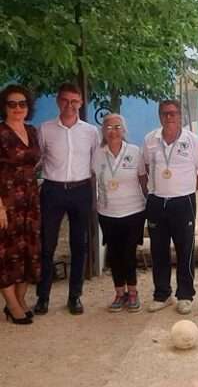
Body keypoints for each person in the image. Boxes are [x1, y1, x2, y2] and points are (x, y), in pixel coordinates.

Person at [142, 99, 198, 315]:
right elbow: (144, 168)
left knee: (185, 250)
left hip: (183, 202)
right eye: (164, 114)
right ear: (159, 116)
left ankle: (185, 295)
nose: (169, 117)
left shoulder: (192, 141)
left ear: (180, 116)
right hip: (157, 201)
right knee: (158, 250)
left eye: (173, 113)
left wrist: (189, 189)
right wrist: (151, 193)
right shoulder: (150, 140)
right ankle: (162, 294)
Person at [35, 83, 100, 315]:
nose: (70, 105)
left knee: (79, 245)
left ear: (81, 103)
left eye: (74, 101)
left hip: (81, 190)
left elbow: (95, 164)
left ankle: (75, 296)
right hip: (53, 191)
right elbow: (39, 159)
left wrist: (95, 195)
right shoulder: (45, 129)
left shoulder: (91, 132)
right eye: (65, 100)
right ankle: (42, 297)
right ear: (58, 101)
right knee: (47, 245)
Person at [93, 114, 147, 313]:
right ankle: (118, 293)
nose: (113, 131)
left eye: (117, 127)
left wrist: (150, 202)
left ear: (124, 130)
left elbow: (142, 179)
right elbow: (92, 181)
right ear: (103, 131)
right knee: (114, 254)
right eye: (108, 127)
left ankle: (132, 292)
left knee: (129, 252)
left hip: (133, 211)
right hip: (107, 212)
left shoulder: (134, 151)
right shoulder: (97, 154)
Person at [0, 85, 41, 325]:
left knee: (28, 250)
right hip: (7, 200)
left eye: (22, 103)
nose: (18, 108)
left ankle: (21, 299)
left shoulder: (32, 130)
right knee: (6, 252)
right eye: (12, 104)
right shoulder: (1, 133)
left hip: (30, 199)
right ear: (4, 106)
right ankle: (12, 304)